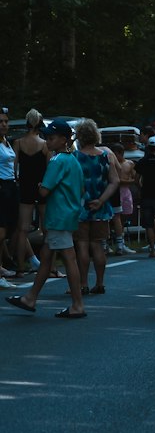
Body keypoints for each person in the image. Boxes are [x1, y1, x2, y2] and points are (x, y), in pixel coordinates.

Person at [6, 119, 87, 318]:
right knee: (47, 256)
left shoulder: (57, 161)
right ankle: (30, 297)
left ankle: (77, 304)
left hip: (58, 215)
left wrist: (40, 185)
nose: (47, 141)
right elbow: (81, 188)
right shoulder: (73, 160)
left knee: (68, 258)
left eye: (50, 138)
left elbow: (43, 192)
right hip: (68, 213)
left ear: (63, 140)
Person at [73, 119, 120, 296]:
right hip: (101, 208)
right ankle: (100, 283)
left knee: (82, 246)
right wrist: (101, 200)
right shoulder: (105, 156)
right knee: (98, 246)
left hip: (81, 208)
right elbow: (115, 181)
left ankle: (83, 283)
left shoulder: (76, 157)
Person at [12, 108, 47, 277]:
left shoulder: (18, 143)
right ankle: (50, 266)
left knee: (23, 229)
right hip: (41, 188)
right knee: (47, 229)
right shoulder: (45, 145)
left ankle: (20, 267)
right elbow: (50, 169)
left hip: (25, 187)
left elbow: (14, 167)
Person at [0, 105, 18, 287]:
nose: (4, 124)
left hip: (11, 185)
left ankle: (3, 265)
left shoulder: (6, 140)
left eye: (6, 121)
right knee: (1, 230)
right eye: (0, 122)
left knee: (8, 229)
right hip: (2, 185)